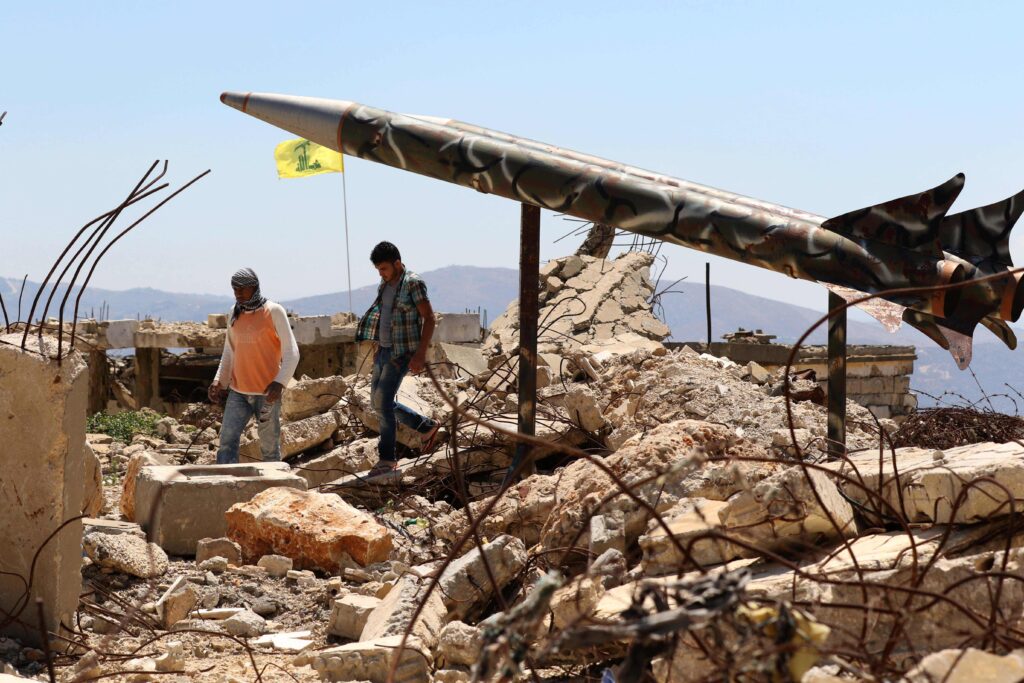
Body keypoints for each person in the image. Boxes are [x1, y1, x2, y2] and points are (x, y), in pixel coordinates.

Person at [356, 241, 442, 477]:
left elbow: (430, 319)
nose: (381, 273)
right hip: (383, 351)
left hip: (402, 353)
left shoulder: (413, 283)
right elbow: (384, 316)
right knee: (377, 402)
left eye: (384, 268)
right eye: (378, 270)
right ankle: (426, 427)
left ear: (397, 263)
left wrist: (420, 354)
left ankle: (387, 459)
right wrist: (377, 346)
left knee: (383, 404)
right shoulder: (384, 284)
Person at [208, 268, 299, 464]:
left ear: (255, 287)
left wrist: (280, 382)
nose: (238, 293)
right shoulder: (235, 313)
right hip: (238, 391)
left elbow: (292, 352)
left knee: (269, 448)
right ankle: (225, 485)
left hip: (267, 394)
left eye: (242, 289)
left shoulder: (274, 311)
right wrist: (219, 381)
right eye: (234, 289)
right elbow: (229, 350)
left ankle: (274, 489)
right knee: (226, 441)